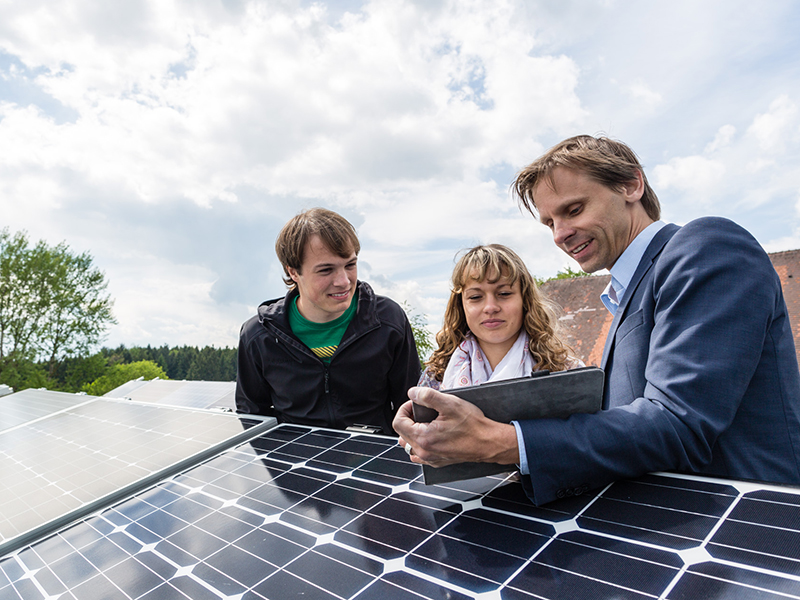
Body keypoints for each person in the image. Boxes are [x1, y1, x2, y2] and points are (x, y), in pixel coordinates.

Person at [394, 135, 800, 505]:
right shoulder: (625, 295)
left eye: (574, 209)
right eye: (550, 222)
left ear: (631, 186)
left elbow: (679, 424)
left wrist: (501, 442)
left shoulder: (705, 247)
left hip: (746, 530)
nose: (560, 234)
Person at [236, 207, 421, 435]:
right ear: (293, 271)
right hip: (293, 464)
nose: (344, 281)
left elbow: (411, 407)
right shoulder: (258, 335)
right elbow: (252, 416)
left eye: (350, 265)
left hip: (376, 464)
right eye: (326, 270)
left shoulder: (389, 321)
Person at [418, 244, 582, 391]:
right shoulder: (435, 378)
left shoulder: (564, 371)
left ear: (525, 300)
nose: (490, 307)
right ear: (461, 306)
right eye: (475, 297)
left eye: (504, 294)